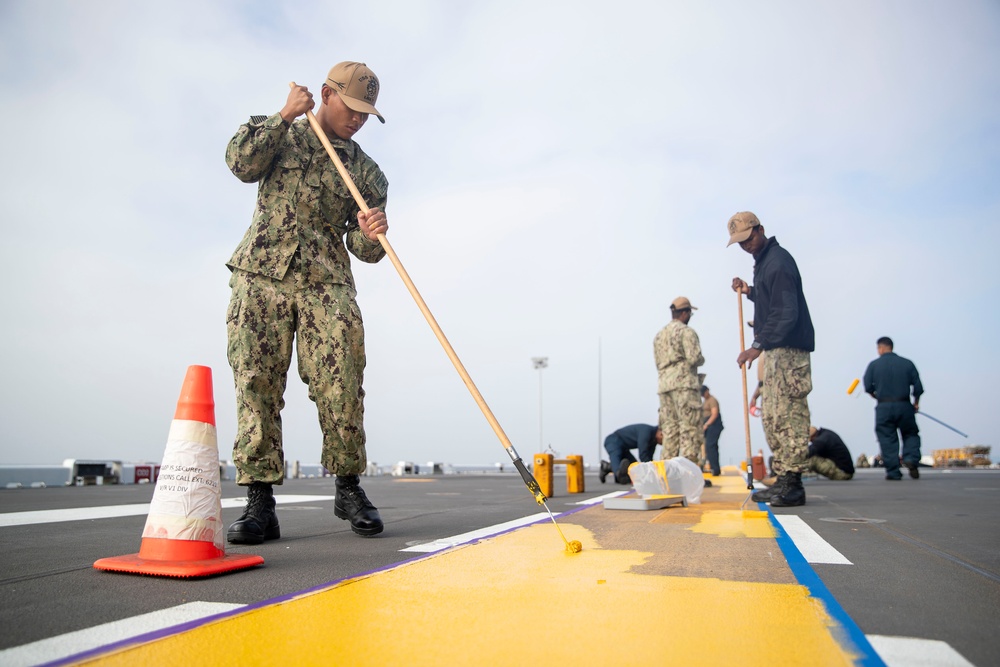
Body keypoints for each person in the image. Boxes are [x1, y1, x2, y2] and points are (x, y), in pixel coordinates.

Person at [224, 62, 390, 543]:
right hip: (262, 274)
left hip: (326, 282)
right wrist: (282, 116)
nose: (358, 120)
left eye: (366, 114)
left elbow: (367, 252)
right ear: (325, 94)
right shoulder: (284, 134)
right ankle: (259, 503)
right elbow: (241, 164)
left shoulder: (366, 172)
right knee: (256, 383)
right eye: (353, 108)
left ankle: (348, 488)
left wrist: (372, 234)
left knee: (342, 382)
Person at [729, 211, 814, 507]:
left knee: (789, 416)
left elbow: (786, 311)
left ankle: (794, 484)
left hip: (789, 350)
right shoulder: (763, 264)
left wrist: (756, 345)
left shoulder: (777, 261)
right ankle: (784, 480)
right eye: (740, 242)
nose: (745, 245)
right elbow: (769, 301)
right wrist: (749, 291)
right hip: (776, 351)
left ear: (760, 230)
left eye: (748, 238)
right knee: (775, 417)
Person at [654, 297, 710, 487]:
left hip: (664, 385)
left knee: (670, 431)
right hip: (684, 384)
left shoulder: (659, 335)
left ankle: (665, 477)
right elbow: (694, 358)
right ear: (684, 313)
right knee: (690, 429)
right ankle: (689, 477)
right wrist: (701, 359)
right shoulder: (687, 332)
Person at [863, 337, 924, 481]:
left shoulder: (873, 365)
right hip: (904, 405)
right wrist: (916, 402)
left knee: (887, 438)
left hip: (883, 406)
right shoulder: (907, 364)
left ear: (881, 348)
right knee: (910, 434)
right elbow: (918, 387)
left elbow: (867, 387)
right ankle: (911, 458)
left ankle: (893, 471)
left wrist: (876, 396)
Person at [700, 386, 723, 476]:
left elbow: (714, 414)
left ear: (707, 391)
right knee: (708, 447)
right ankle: (714, 467)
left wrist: (707, 424)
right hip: (707, 424)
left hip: (713, 425)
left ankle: (715, 468)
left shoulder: (712, 400)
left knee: (710, 446)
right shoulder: (705, 401)